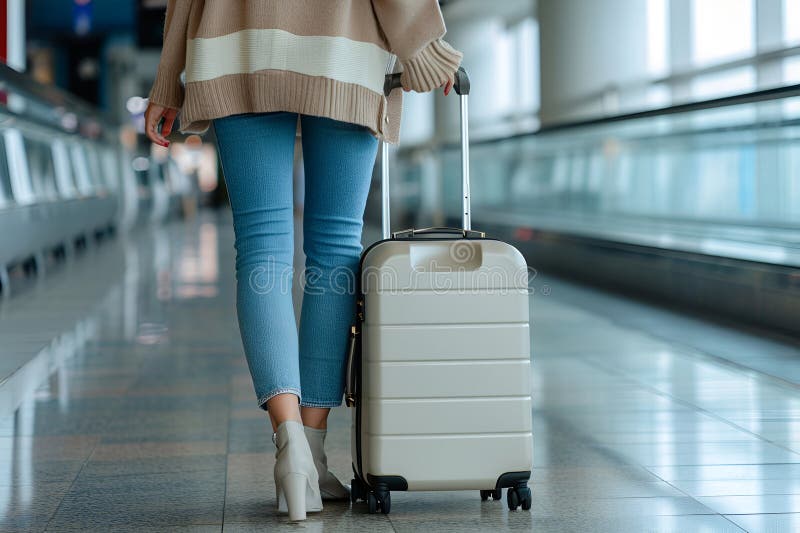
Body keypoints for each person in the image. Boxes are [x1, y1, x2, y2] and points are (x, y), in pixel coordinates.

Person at [145, 0, 462, 522]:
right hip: (345, 46)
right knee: (336, 251)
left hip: (236, 43)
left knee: (262, 248)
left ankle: (289, 444)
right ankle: (312, 448)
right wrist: (422, 45)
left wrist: (166, 81)